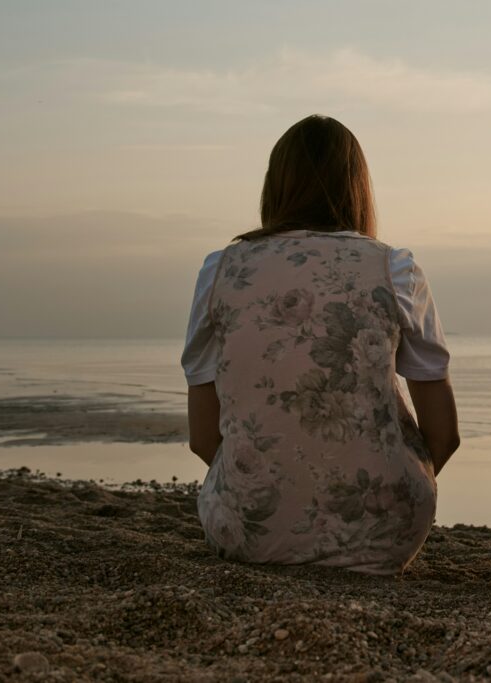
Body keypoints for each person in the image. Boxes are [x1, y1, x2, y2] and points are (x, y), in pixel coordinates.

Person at [181, 114, 459, 575]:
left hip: (246, 530)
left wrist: (276, 489)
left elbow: (202, 439)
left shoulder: (221, 271)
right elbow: (445, 436)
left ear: (274, 186)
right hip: (383, 532)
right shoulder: (395, 270)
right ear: (358, 187)